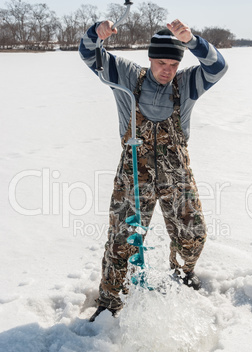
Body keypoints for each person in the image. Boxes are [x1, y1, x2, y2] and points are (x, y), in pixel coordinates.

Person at [79, 19, 228, 321]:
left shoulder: (185, 84)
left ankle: (183, 272)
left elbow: (218, 68)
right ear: (149, 58)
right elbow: (88, 54)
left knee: (193, 234)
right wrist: (96, 33)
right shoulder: (127, 77)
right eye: (161, 62)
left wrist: (193, 42)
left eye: (173, 64)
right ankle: (110, 301)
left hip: (177, 171)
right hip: (134, 170)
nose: (167, 70)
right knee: (123, 240)